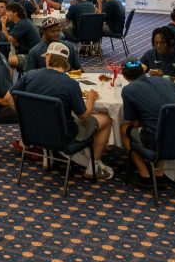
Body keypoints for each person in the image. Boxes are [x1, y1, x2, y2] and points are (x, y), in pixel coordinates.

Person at [15, 43, 114, 180]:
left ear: (48, 57)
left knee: (48, 114)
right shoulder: (70, 84)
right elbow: (84, 116)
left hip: (33, 133)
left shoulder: (29, 76)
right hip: (63, 137)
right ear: (66, 61)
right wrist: (91, 99)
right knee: (106, 119)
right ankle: (93, 167)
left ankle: (48, 157)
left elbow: (12, 96)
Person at [118, 58, 175, 188]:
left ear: (124, 75)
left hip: (154, 139)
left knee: (124, 128)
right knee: (163, 124)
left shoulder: (128, 90)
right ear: (143, 70)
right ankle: (159, 173)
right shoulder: (161, 80)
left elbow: (134, 123)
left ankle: (144, 173)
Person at [1, 2, 41, 70]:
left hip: (32, 57)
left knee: (5, 61)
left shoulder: (22, 24)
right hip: (32, 52)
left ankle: (10, 80)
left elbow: (7, 39)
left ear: (15, 13)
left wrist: (3, 24)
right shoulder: (22, 21)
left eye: (8, 11)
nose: (6, 13)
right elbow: (13, 41)